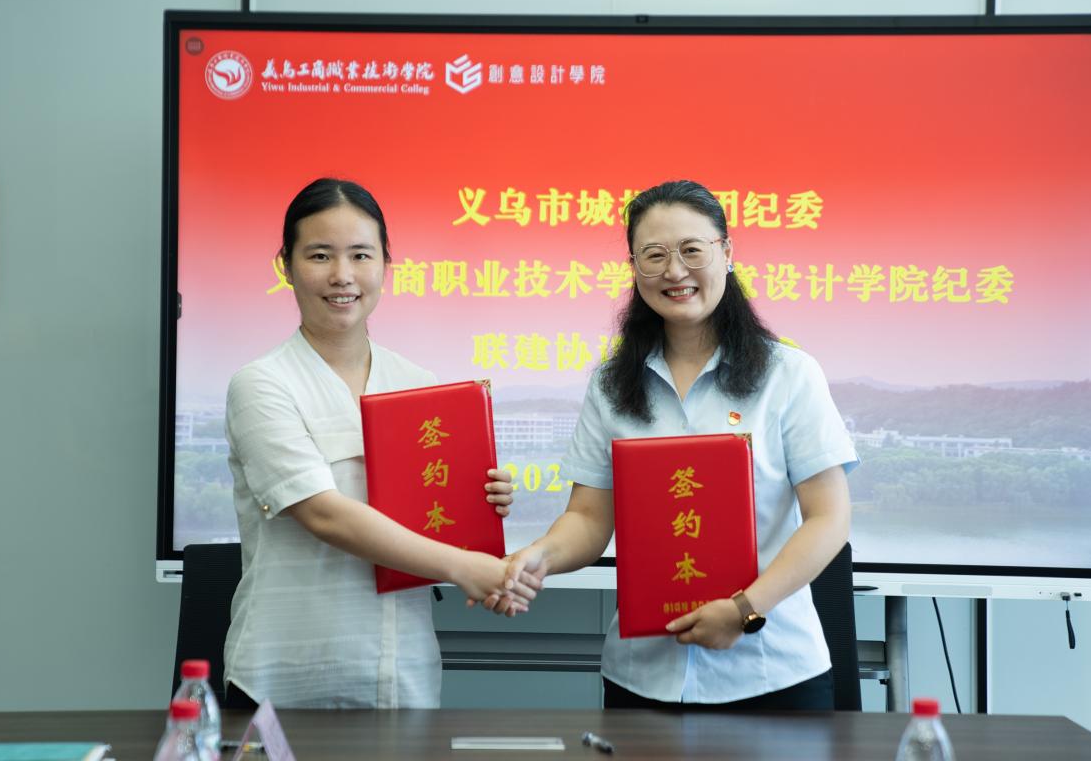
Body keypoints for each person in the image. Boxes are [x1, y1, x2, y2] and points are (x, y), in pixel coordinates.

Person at [491, 179, 857, 710]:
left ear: (727, 253)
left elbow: (829, 518)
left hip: (771, 671)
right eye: (654, 255)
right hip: (643, 674)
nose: (675, 271)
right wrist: (538, 556)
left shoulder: (789, 375)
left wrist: (744, 609)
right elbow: (589, 519)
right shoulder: (612, 384)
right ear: (634, 267)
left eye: (692, 250)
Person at [223, 177, 536, 709]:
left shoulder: (418, 385)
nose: (342, 275)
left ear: (386, 265)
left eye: (361, 255)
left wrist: (480, 505)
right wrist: (467, 568)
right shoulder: (262, 384)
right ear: (286, 266)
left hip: (401, 675)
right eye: (320, 255)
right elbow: (324, 515)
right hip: (286, 676)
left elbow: (435, 522)